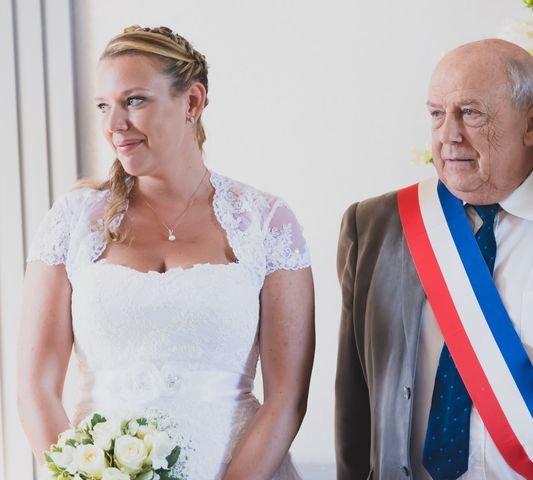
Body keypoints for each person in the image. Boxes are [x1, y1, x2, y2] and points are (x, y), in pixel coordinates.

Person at [18, 25, 315, 479]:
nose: (114, 125)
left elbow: (287, 396)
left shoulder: (266, 222)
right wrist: (79, 476)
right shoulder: (71, 221)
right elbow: (35, 387)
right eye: (104, 106)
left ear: (192, 102)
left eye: (134, 101)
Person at [335, 38, 533, 480]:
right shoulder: (375, 226)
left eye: (470, 113)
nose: (448, 135)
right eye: (437, 114)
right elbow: (354, 401)